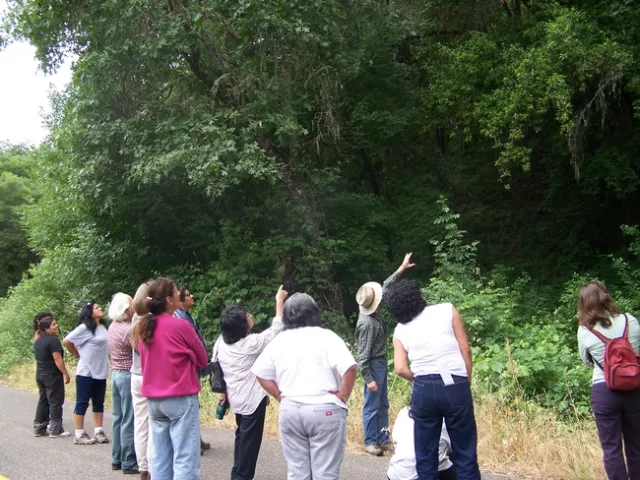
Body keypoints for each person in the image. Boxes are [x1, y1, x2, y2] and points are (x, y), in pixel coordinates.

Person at [252, 292, 357, 480]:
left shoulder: (280, 340)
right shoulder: (327, 337)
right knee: (325, 473)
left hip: (290, 409)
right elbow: (349, 367)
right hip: (324, 408)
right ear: (315, 313)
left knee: (297, 473)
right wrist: (343, 395)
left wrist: (278, 395)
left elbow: (260, 372)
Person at [386, 279, 480, 480]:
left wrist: (419, 379)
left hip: (423, 390)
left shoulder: (400, 330)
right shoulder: (447, 310)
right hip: (454, 383)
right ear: (417, 295)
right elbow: (465, 349)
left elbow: (400, 368)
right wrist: (465, 380)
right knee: (465, 453)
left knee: (426, 457)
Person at [133, 277, 208, 480]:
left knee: (160, 455)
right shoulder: (180, 326)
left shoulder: (143, 328)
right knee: (185, 455)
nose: (179, 294)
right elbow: (202, 359)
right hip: (180, 396)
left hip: (154, 401)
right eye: (176, 292)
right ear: (168, 299)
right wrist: (189, 356)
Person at [217, 285, 288, 480]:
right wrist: (279, 301)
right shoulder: (250, 344)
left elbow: (216, 364)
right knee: (250, 442)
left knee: (242, 436)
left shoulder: (221, 342)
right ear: (242, 326)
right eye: (246, 315)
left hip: (235, 397)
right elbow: (277, 328)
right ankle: (241, 476)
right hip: (252, 401)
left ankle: (237, 473)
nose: (249, 315)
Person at [577, 280, 640, 480]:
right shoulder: (631, 321)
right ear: (606, 296)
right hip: (634, 388)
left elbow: (586, 361)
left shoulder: (585, 330)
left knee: (611, 448)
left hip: (604, 391)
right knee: (637, 445)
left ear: (584, 304)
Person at [356, 253, 415, 456]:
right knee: (372, 405)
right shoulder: (366, 324)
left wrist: (401, 267)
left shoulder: (372, 312)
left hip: (380, 364)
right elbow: (362, 355)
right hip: (372, 366)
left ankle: (382, 439)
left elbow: (386, 286)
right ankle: (370, 441)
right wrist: (368, 378)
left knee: (382, 404)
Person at [64, 300, 110, 446]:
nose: (100, 308)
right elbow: (67, 341)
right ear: (90, 312)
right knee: (82, 402)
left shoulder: (103, 327)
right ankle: (79, 433)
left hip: (100, 370)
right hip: (86, 371)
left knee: (98, 403)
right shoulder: (85, 328)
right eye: (97, 307)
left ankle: (98, 431)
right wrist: (78, 355)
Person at [173, 283, 210, 454]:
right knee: (190, 404)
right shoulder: (180, 319)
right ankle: (193, 442)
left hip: (194, 366)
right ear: (179, 301)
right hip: (187, 368)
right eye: (187, 295)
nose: (192, 297)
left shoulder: (187, 316)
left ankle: (197, 438)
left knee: (194, 402)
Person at [107, 292, 138, 474]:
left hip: (116, 374)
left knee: (118, 418)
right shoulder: (128, 330)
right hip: (127, 375)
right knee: (129, 418)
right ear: (126, 310)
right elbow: (140, 349)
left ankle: (116, 457)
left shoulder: (113, 327)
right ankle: (128, 460)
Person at [387, 406, 456, 480]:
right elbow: (454, 448)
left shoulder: (404, 412)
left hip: (397, 474)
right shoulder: (443, 418)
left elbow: (395, 441)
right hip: (430, 472)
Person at [33, 312, 71, 438]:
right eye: (53, 324)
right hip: (52, 375)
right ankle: (56, 429)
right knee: (55, 400)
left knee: (43, 400)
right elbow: (57, 359)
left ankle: (39, 427)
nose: (56, 326)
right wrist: (65, 373)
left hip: (40, 373)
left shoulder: (38, 341)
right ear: (47, 328)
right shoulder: (53, 341)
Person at [130, 282, 153, 480]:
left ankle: (143, 467)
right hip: (148, 375)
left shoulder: (135, 320)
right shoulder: (151, 321)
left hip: (135, 375)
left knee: (140, 423)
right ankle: (154, 467)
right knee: (154, 423)